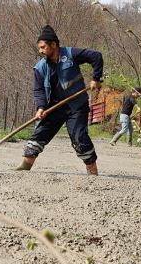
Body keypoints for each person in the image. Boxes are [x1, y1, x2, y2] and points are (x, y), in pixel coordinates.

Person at [15, 25, 103, 175]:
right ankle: (25, 166)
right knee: (40, 133)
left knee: (79, 137)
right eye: (39, 48)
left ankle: (92, 170)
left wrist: (96, 78)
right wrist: (41, 107)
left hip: (77, 106)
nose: (40, 51)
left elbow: (96, 56)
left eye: (43, 47)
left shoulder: (70, 54)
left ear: (53, 45)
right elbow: (38, 90)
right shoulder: (40, 68)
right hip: (54, 107)